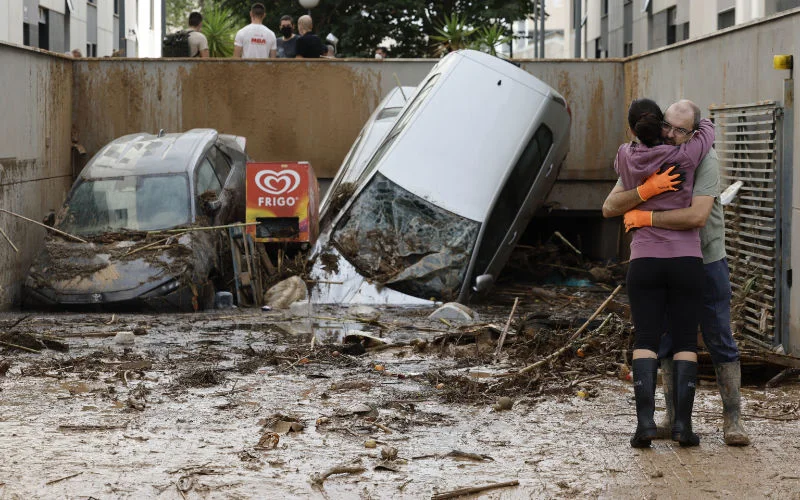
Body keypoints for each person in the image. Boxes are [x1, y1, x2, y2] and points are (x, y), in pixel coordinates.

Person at [603, 99, 751, 446]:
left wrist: (646, 216)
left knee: (717, 336)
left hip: (707, 257)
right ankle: (672, 418)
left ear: (694, 132)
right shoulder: (654, 152)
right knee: (670, 338)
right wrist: (645, 190)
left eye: (680, 129)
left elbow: (697, 216)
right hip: (674, 261)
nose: (670, 133)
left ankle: (733, 419)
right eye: (666, 125)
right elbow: (611, 204)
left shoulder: (704, 158)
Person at [613, 98, 715, 449]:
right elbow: (708, 132)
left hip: (644, 260)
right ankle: (682, 428)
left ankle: (645, 426)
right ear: (659, 125)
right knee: (686, 341)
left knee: (645, 340)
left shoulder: (625, 156)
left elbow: (614, 200)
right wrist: (703, 123)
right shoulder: (686, 157)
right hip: (686, 259)